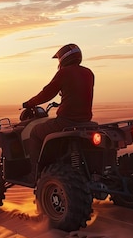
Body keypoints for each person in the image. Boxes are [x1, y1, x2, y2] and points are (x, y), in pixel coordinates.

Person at [22, 43, 94, 178]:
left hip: (66, 121)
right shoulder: (88, 73)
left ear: (64, 58)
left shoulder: (64, 73)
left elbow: (47, 93)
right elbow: (76, 92)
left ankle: (36, 173)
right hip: (86, 122)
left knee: (35, 133)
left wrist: (29, 103)